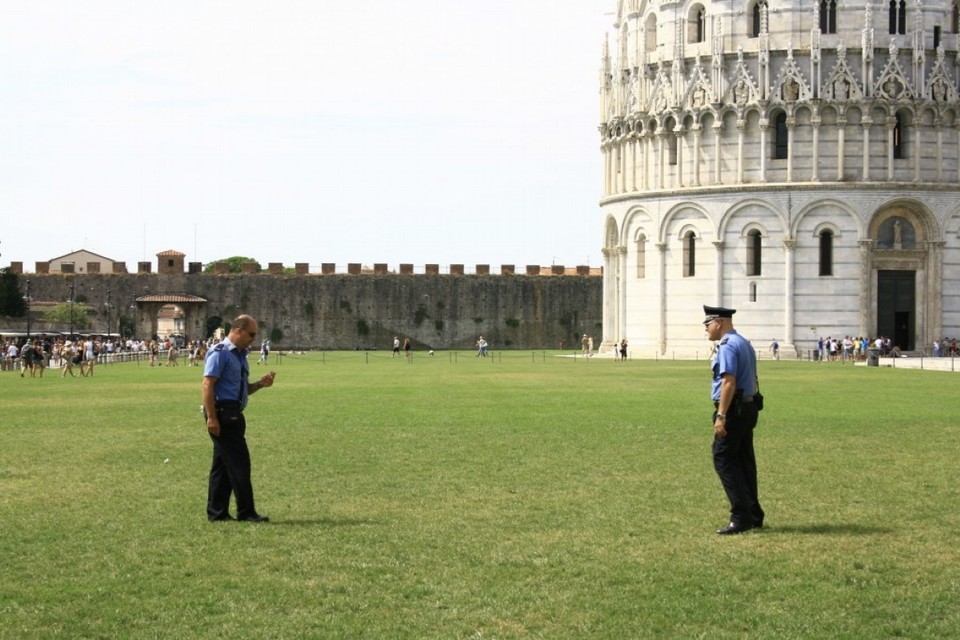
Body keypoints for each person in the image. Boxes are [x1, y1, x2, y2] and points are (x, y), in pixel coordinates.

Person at [202, 314, 277, 523]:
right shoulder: (221, 353)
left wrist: (260, 384)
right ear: (238, 330)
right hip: (223, 415)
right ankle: (246, 511)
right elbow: (208, 385)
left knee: (222, 466)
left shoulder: (239, 356)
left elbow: (239, 391)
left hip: (233, 412)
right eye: (251, 334)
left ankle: (217, 513)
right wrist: (212, 417)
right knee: (239, 464)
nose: (253, 339)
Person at [703, 305, 764, 535]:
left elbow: (728, 381)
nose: (706, 330)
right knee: (744, 461)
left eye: (707, 324)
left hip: (734, 410)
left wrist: (721, 415)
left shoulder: (728, 347)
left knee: (724, 459)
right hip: (748, 407)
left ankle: (740, 516)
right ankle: (754, 513)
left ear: (718, 322)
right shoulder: (744, 343)